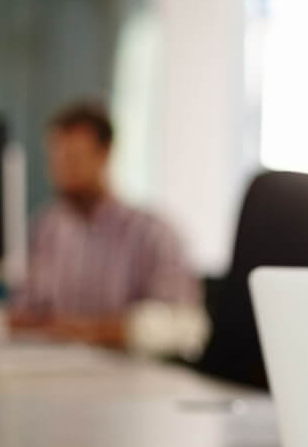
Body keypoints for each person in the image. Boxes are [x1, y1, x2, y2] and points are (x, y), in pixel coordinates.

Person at [10, 101, 198, 349]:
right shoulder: (46, 229)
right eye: (56, 161)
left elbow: (183, 326)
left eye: (73, 159)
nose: (62, 172)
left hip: (129, 374)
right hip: (57, 365)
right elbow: (21, 311)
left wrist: (89, 331)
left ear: (105, 154)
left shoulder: (153, 234)